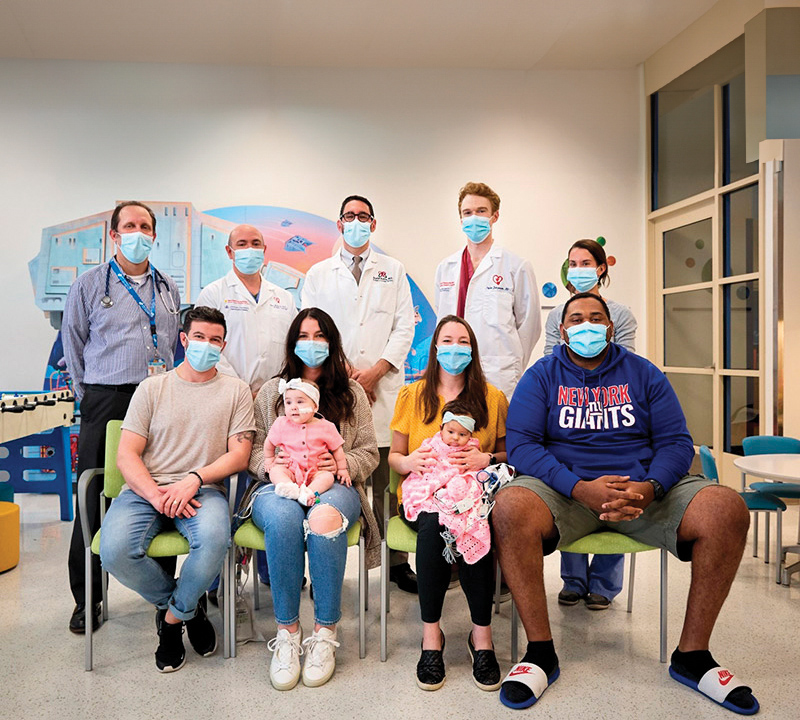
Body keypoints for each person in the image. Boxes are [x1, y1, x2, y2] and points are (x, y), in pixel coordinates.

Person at [493, 293, 757, 714]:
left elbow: (675, 442)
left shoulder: (644, 373)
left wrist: (649, 487)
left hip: (644, 495)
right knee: (508, 507)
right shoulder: (541, 375)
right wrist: (579, 487)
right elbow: (523, 446)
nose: (586, 325)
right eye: (576, 319)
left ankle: (692, 656)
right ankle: (540, 652)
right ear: (561, 331)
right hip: (566, 495)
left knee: (726, 508)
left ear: (611, 327)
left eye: (596, 318)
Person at [99, 306, 255, 672]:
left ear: (224, 344)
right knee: (114, 551)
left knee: (217, 539)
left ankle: (171, 624)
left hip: (203, 491)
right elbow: (127, 455)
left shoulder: (236, 391)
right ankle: (187, 607)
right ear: (184, 340)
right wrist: (157, 495)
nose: (207, 345)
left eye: (215, 340)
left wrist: (195, 479)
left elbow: (240, 454)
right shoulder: (153, 388)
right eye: (199, 337)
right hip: (145, 491)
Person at [62, 201, 181, 634]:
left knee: (161, 492)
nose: (138, 232)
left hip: (156, 401)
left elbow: (169, 348)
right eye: (129, 225)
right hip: (106, 401)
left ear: (154, 235)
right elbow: (73, 346)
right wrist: (90, 394)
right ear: (113, 235)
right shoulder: (89, 285)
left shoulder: (168, 288)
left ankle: (162, 594)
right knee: (92, 498)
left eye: (145, 226)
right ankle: (87, 599)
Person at [248, 307, 380, 691]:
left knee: (323, 518)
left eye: (320, 336)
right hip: (280, 485)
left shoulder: (352, 392)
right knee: (286, 518)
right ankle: (288, 633)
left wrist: (340, 463)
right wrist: (275, 465)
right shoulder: (273, 391)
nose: (312, 343)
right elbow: (256, 452)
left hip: (335, 486)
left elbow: (370, 451)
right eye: (304, 336)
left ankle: (325, 632)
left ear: (333, 342)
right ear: (292, 343)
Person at [301, 195, 416, 593]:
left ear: (373, 223)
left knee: (386, 481)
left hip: (381, 389)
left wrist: (375, 372)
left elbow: (405, 326)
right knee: (328, 479)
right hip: (333, 385)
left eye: (363, 217)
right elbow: (312, 329)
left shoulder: (393, 270)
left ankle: (397, 562)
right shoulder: (318, 273)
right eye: (349, 216)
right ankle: (322, 564)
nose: (356, 222)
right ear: (339, 224)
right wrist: (346, 373)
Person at [389, 315, 508, 692]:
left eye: (462, 341)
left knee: (476, 525)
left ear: (471, 349)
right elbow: (393, 455)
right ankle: (431, 637)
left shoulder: (493, 398)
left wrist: (485, 459)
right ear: (435, 348)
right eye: (447, 340)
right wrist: (408, 463)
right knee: (434, 524)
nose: (454, 348)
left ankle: (482, 637)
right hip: (425, 497)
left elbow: (507, 452)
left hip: (473, 498)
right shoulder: (411, 396)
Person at [543, 239, 638, 610]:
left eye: (586, 262)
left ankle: (604, 583)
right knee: (573, 486)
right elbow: (555, 359)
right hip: (570, 410)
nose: (578, 268)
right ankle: (573, 579)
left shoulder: (621, 314)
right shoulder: (556, 315)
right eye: (572, 263)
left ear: (600, 268)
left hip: (613, 409)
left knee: (614, 484)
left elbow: (626, 362)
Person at [434, 182, 540, 400]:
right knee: (454, 433)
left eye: (481, 211)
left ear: (495, 216)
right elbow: (442, 322)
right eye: (468, 212)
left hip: (498, 373)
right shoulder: (446, 268)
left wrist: (511, 364)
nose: (474, 217)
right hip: (452, 372)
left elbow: (530, 325)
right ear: (461, 220)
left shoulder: (515, 266)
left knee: (497, 432)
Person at [195, 223, 297, 397]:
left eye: (256, 244)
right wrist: (240, 389)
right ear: (229, 252)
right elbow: (205, 347)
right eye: (242, 244)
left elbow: (293, 345)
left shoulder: (284, 298)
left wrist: (272, 390)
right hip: (226, 392)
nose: (250, 249)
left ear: (264, 250)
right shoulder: (213, 294)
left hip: (274, 396)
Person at [400, 401, 491, 566]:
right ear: (441, 428)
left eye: (462, 434)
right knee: (433, 521)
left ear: (470, 435)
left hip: (458, 494)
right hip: (434, 489)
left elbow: (475, 473)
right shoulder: (432, 446)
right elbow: (425, 470)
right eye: (450, 432)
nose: (455, 438)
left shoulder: (472, 450)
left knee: (474, 513)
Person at [265, 378, 351, 504]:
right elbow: (269, 443)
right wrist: (269, 459)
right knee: (275, 471)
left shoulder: (326, 426)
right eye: (288, 403)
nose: (293, 407)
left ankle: (309, 493)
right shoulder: (281, 423)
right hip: (290, 469)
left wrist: (342, 469)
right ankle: (289, 488)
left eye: (300, 402)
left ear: (315, 406)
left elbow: (337, 449)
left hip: (316, 471)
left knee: (327, 478)